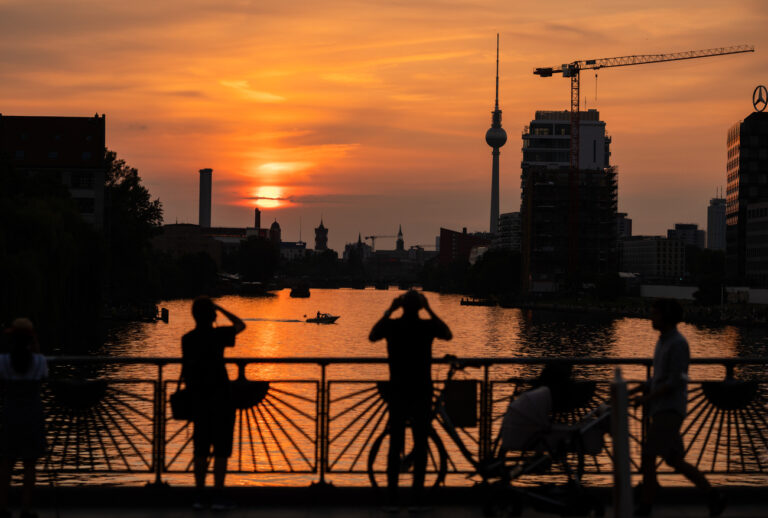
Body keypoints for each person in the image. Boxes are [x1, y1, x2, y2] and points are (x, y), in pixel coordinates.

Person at [633, 299, 725, 517]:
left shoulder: (678, 343)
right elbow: (660, 377)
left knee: (648, 455)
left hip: (670, 409)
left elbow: (674, 382)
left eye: (654, 314)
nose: (651, 318)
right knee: (674, 460)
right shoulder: (663, 341)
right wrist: (639, 388)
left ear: (665, 317)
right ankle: (714, 497)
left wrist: (647, 398)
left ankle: (647, 503)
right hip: (662, 408)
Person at [369, 290, 452, 512]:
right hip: (422, 391)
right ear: (419, 307)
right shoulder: (426, 328)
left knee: (395, 445)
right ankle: (417, 499)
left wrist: (389, 310)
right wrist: (429, 309)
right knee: (421, 445)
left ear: (402, 307)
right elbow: (447, 333)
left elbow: (373, 335)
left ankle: (393, 499)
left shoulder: (393, 326)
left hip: (397, 391)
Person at [181, 297, 245, 511]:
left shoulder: (187, 339)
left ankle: (199, 496)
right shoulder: (219, 335)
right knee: (220, 450)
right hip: (222, 398)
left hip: (198, 398)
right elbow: (240, 324)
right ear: (212, 315)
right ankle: (218, 495)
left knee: (200, 449)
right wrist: (221, 308)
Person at [0, 318, 48, 518]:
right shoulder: (39, 361)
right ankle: (26, 508)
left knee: (6, 464)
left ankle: (2, 507)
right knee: (30, 465)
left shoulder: (3, 361)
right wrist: (36, 346)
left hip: (10, 413)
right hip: (32, 414)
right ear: (31, 339)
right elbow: (43, 380)